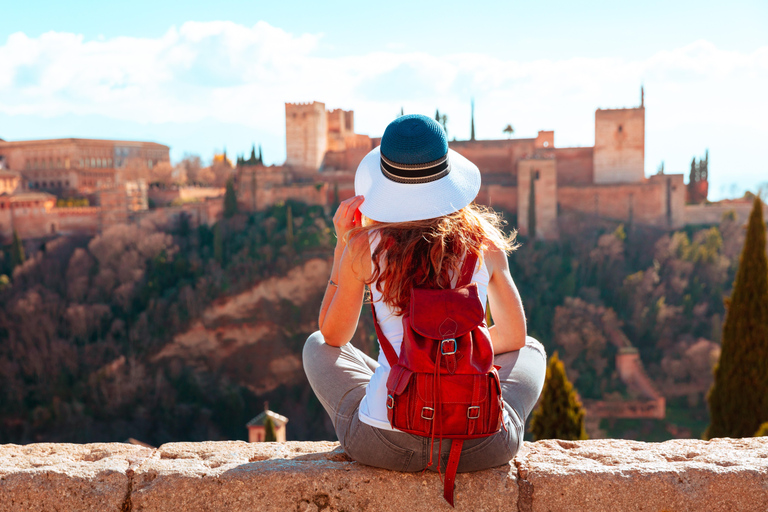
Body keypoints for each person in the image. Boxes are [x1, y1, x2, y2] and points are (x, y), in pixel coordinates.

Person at [303, 114, 546, 477]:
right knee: (532, 349)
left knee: (315, 346)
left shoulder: (364, 246)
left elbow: (333, 336)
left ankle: (397, 381)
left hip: (384, 445)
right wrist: (455, 353)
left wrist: (342, 243)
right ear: (447, 178)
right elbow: (513, 338)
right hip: (480, 443)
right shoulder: (485, 244)